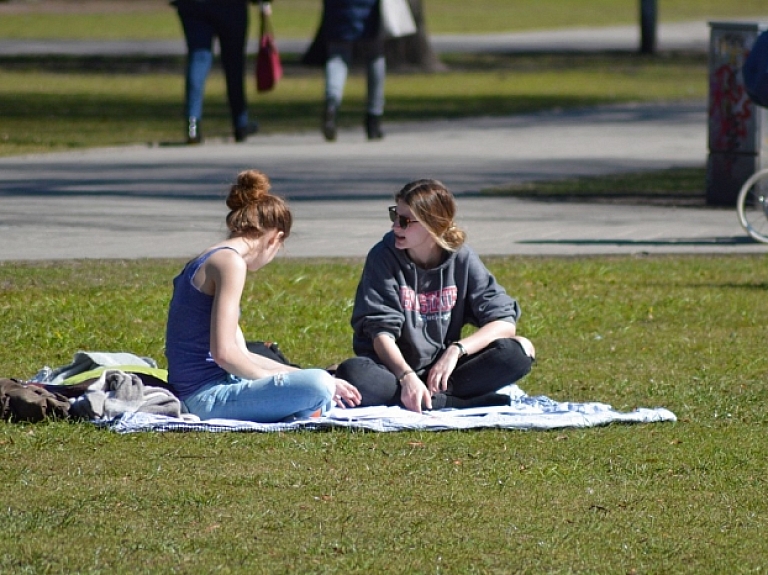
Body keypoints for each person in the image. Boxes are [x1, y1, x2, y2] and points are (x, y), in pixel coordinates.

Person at [165, 169, 361, 422]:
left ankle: (302, 403)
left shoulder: (212, 258)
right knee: (318, 385)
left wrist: (295, 374)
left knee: (318, 381)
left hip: (207, 390)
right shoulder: (230, 263)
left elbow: (242, 354)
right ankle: (304, 404)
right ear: (275, 239)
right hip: (205, 398)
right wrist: (289, 382)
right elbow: (225, 354)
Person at [335, 179, 535, 413]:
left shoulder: (461, 257)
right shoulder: (383, 257)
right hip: (391, 371)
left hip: (443, 372)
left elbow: (503, 321)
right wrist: (407, 376)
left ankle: (428, 399)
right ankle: (456, 403)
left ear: (434, 224)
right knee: (354, 372)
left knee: (518, 351)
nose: (395, 227)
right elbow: (380, 332)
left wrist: (455, 350)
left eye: (405, 221)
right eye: (394, 216)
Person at [171, 0, 262, 144]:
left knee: (198, 59)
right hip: (230, 6)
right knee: (234, 63)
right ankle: (240, 124)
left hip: (194, 6)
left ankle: (193, 126)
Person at [320, 0, 386, 141]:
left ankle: (332, 101)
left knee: (338, 56)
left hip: (338, 7)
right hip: (370, 9)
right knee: (375, 56)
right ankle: (373, 116)